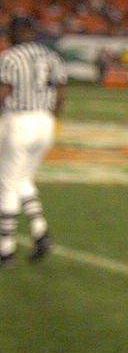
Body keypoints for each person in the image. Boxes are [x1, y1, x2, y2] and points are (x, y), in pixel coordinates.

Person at [0, 14, 66, 267]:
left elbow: (3, 93)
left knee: (7, 183)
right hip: (45, 121)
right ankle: (40, 232)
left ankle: (5, 250)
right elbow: (60, 91)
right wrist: (52, 120)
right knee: (23, 179)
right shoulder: (50, 55)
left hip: (18, 120)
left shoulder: (10, 57)